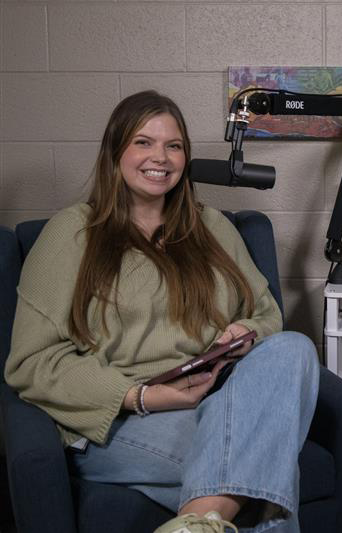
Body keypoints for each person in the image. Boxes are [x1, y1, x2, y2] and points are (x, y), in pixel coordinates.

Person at [4, 90, 319, 533]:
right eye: (143, 142)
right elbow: (32, 363)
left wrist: (242, 332)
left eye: (174, 145)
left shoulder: (212, 227)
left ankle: (196, 524)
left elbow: (266, 316)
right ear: (115, 151)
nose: (161, 157)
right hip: (119, 420)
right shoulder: (72, 232)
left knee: (294, 347)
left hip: (215, 401)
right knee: (264, 466)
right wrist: (142, 397)